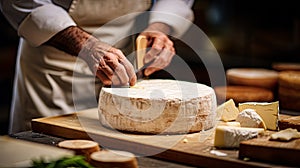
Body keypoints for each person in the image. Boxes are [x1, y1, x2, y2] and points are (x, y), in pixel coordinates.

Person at [0, 0, 194, 134]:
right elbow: (24, 3)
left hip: (126, 54)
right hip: (55, 62)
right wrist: (88, 46)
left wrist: (159, 28)